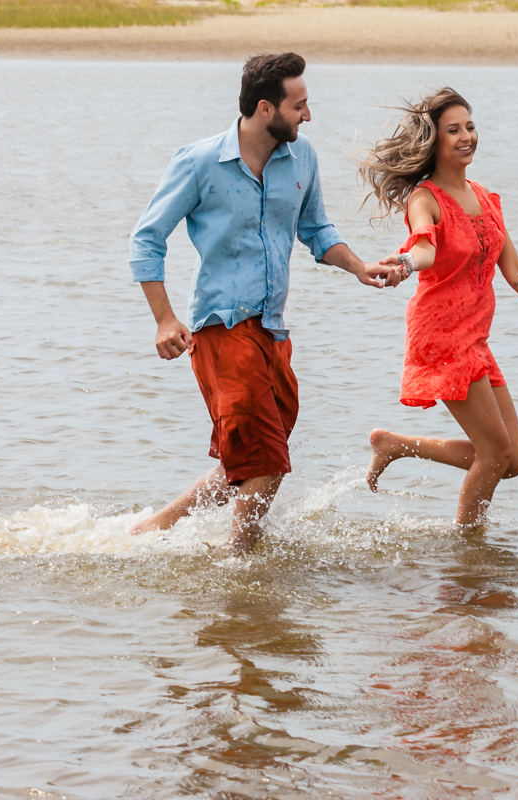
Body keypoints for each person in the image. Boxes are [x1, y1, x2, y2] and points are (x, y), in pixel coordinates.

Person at [127, 53, 395, 551]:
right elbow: (146, 240)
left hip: (272, 331)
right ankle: (243, 570)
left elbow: (315, 230)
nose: (308, 115)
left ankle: (151, 530)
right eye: (301, 105)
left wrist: (359, 267)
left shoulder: (303, 157)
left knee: (251, 462)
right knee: (267, 463)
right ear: (266, 108)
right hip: (222, 330)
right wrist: (164, 319)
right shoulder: (199, 162)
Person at [359, 87, 518, 528]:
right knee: (495, 453)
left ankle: (395, 445)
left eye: (470, 126)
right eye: (454, 130)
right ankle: (469, 551)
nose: (467, 137)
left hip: (475, 338)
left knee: (513, 459)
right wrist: (404, 262)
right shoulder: (425, 198)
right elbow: (423, 247)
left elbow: (514, 268)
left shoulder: (485, 198)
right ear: (434, 141)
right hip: (441, 335)